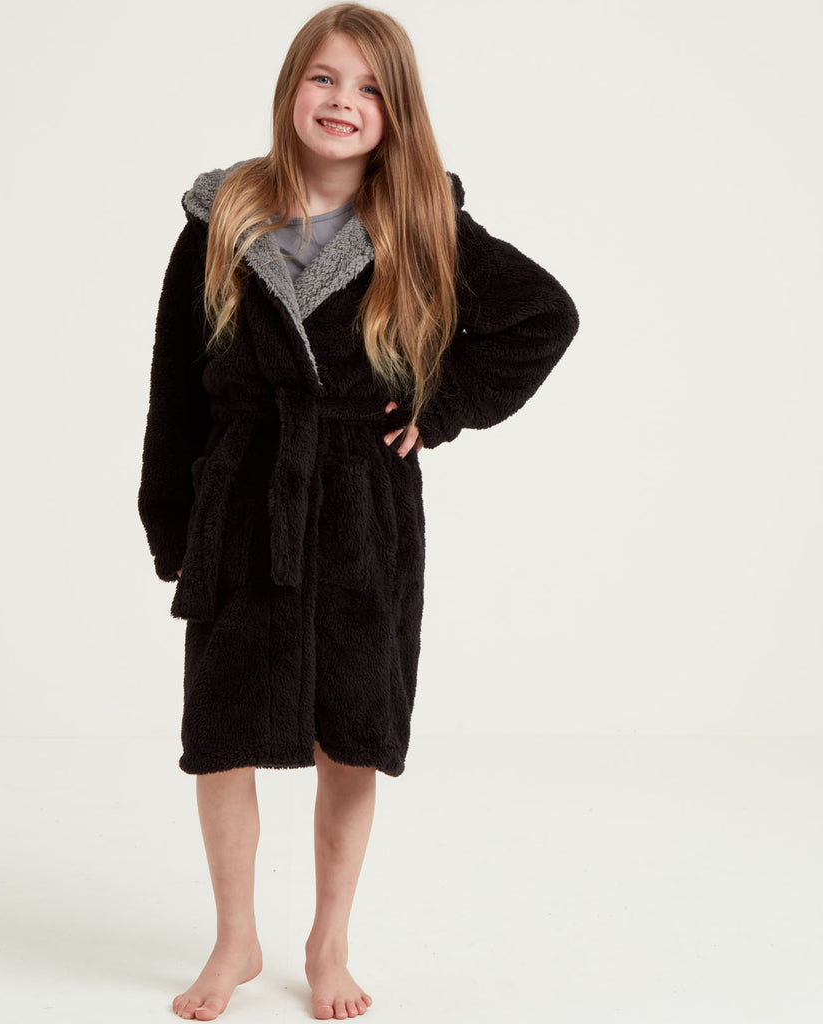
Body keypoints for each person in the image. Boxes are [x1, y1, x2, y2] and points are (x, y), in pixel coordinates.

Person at [138, 3, 580, 1019]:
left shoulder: (420, 219)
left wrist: (440, 405)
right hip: (242, 502)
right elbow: (174, 386)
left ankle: (327, 940)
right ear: (292, 88)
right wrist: (172, 524)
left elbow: (543, 315)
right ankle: (235, 937)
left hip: (359, 509)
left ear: (397, 111)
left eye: (370, 88)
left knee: (352, 731)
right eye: (325, 78)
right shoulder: (218, 218)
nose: (344, 102)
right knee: (222, 730)